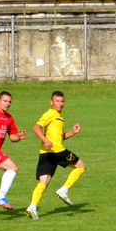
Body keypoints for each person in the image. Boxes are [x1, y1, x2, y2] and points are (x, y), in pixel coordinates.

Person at [25, 90, 87, 219]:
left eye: (62, 101)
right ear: (51, 102)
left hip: (45, 153)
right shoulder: (50, 114)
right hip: (57, 151)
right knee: (81, 166)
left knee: (44, 182)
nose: (60, 103)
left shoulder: (60, 117)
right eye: (57, 101)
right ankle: (64, 189)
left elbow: (60, 137)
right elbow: (36, 127)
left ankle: (32, 207)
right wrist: (45, 140)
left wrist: (73, 132)